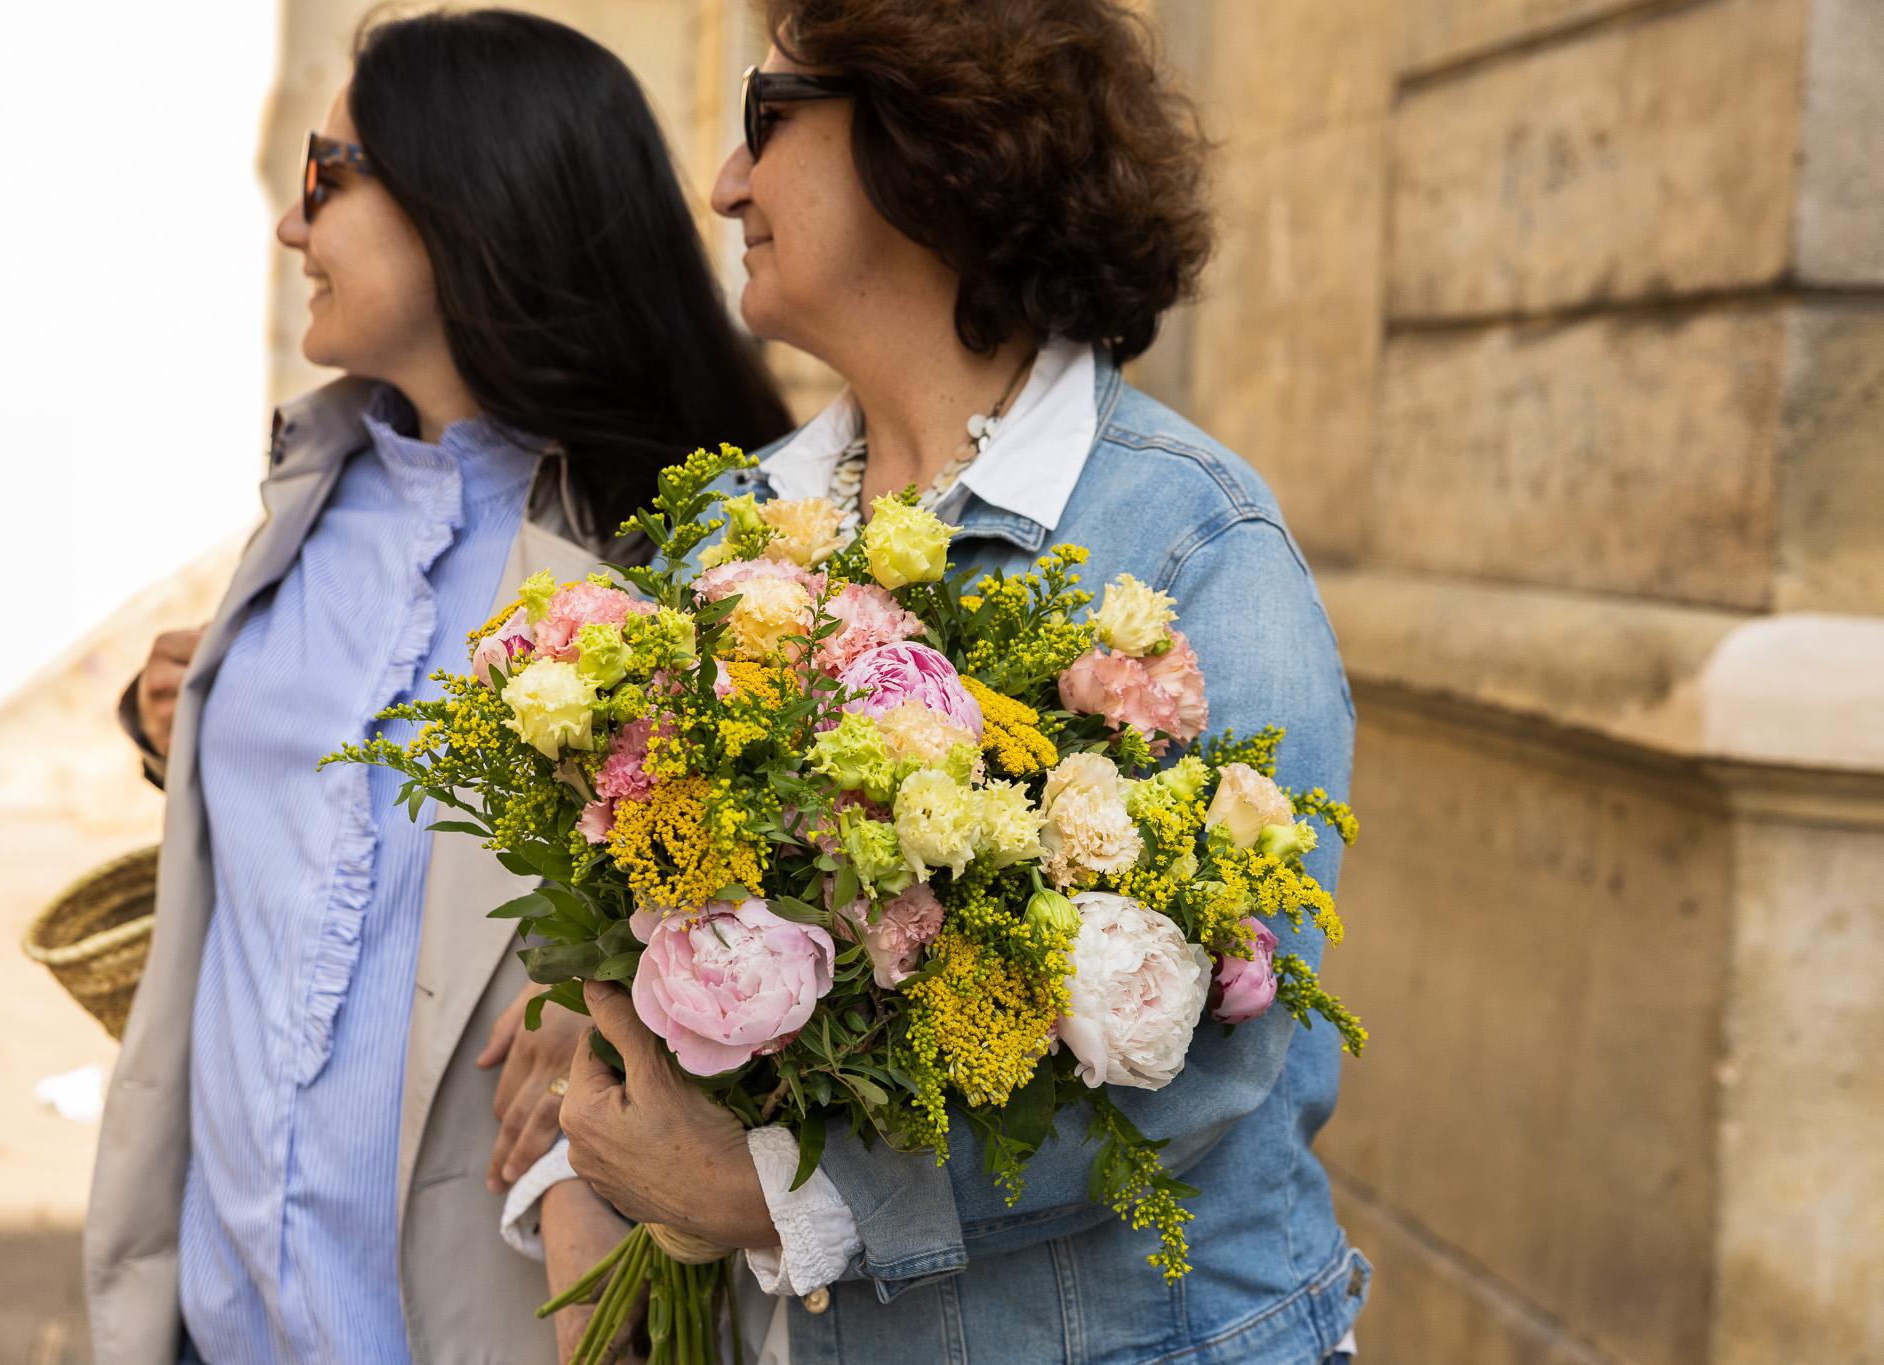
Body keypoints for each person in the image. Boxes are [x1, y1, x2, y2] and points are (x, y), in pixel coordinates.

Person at [551, 1, 1370, 1362]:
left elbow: (1226, 1050)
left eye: (768, 121)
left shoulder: (1192, 545)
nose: (724, 184)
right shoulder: (723, 539)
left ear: (928, 139)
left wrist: (781, 1199)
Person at [86, 10, 790, 1364]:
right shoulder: (303, 498)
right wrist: (185, 721)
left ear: (471, 199)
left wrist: (623, 996)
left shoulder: (676, 570)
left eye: (324, 176)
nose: (293, 229)